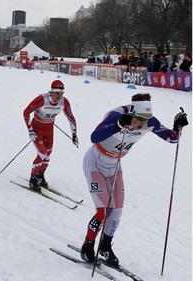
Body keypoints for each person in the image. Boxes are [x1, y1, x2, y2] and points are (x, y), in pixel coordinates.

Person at [80, 93, 188, 267]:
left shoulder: (149, 121)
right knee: (103, 211)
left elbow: (171, 138)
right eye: (139, 121)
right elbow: (94, 137)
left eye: (146, 120)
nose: (142, 125)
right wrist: (117, 125)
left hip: (115, 165)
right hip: (95, 163)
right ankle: (87, 246)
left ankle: (105, 247)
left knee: (117, 210)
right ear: (132, 114)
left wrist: (178, 127)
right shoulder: (116, 116)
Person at [23, 80, 78, 191]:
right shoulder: (42, 100)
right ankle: (33, 179)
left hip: (49, 130)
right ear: (51, 91)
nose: (59, 95)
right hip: (37, 129)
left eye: (62, 92)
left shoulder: (64, 102)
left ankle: (40, 176)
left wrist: (74, 134)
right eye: (57, 92)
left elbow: (71, 118)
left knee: (47, 156)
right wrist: (30, 130)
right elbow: (26, 112)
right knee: (42, 154)